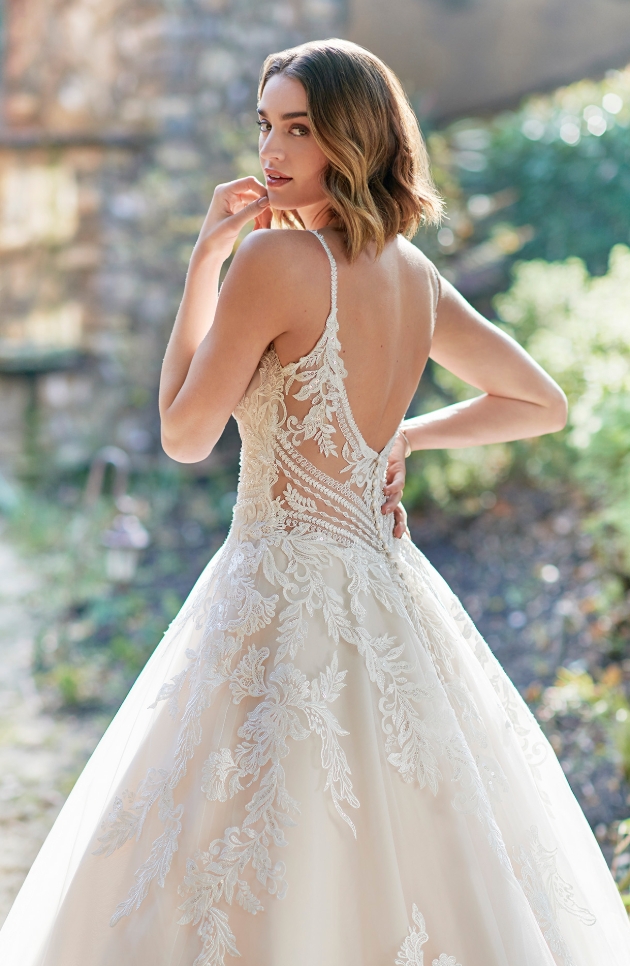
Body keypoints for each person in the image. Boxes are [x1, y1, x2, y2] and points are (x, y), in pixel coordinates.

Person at [1, 37, 629, 966]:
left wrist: (205, 260)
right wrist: (405, 434)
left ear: (354, 137)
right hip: (388, 598)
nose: (273, 150)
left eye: (300, 127)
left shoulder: (269, 264)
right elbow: (539, 401)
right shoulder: (415, 274)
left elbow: (182, 435)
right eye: (266, 125)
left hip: (276, 595)